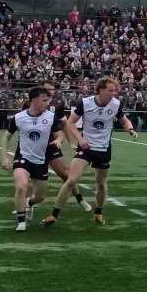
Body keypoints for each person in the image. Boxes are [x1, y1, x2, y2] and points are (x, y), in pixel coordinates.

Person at [43, 76, 137, 227]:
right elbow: (71, 123)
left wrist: (130, 129)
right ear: (100, 90)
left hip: (104, 149)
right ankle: (54, 214)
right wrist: (80, 140)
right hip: (86, 147)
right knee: (71, 180)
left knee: (100, 183)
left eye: (115, 90)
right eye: (110, 90)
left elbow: (124, 120)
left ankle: (98, 212)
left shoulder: (116, 104)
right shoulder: (85, 103)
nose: (114, 93)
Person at [0, 86, 56, 232]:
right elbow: (6, 137)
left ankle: (28, 203)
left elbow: (60, 132)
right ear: (34, 100)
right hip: (23, 158)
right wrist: (5, 157)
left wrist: (59, 140)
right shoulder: (19, 118)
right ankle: (21, 220)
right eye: (44, 100)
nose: (47, 103)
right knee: (21, 186)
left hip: (41, 161)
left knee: (40, 197)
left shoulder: (50, 117)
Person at [37, 81, 91, 213]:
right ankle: (24, 206)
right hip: (35, 145)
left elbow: (65, 124)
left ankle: (80, 199)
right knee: (28, 178)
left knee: (66, 175)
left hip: (51, 143)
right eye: (48, 89)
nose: (51, 91)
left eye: (52, 89)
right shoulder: (33, 102)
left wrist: (69, 141)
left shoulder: (58, 104)